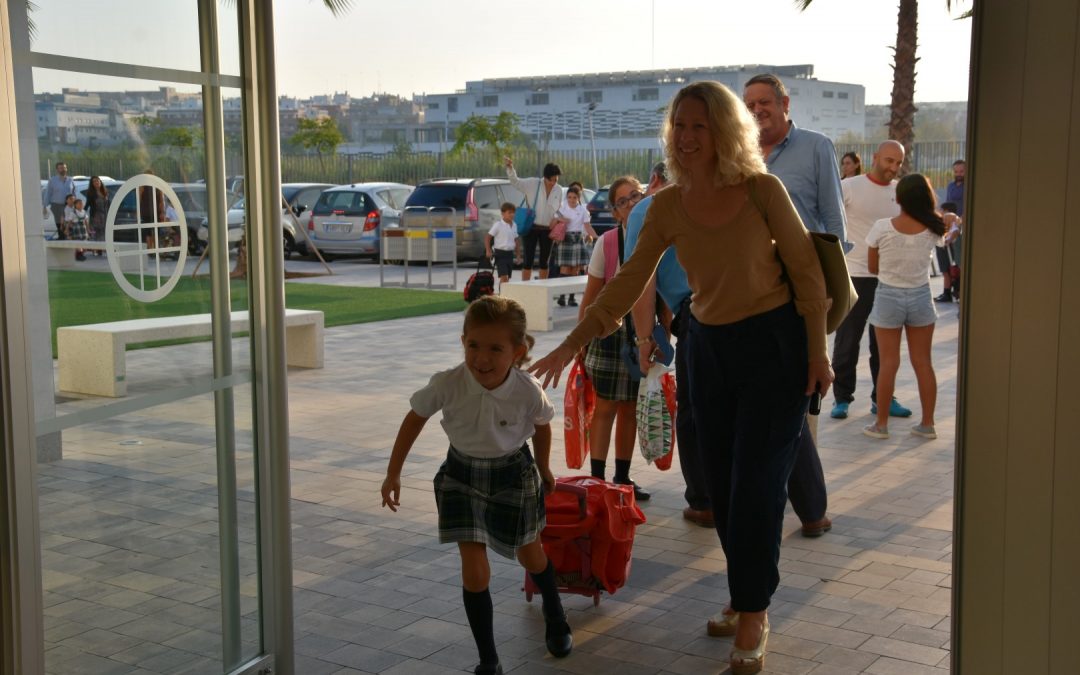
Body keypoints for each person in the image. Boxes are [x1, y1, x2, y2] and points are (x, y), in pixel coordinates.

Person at [530, 81, 832, 675]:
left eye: (700, 125)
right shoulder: (665, 207)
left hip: (774, 348)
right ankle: (746, 592)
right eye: (679, 126)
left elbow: (808, 274)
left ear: (724, 130)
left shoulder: (762, 190)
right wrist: (571, 342)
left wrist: (817, 354)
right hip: (707, 347)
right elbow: (627, 282)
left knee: (757, 487)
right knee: (720, 488)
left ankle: (752, 613)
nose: (687, 137)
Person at [380, 296, 572, 675]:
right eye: (473, 346)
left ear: (517, 352)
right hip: (461, 476)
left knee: (530, 554)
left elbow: (542, 426)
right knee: (473, 566)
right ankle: (489, 659)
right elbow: (414, 418)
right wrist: (393, 472)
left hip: (513, 474)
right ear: (463, 340)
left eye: (495, 349)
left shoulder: (526, 388)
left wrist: (546, 468)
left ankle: (555, 613)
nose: (481, 358)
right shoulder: (449, 383)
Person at [745, 72, 839, 538]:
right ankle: (806, 506)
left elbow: (833, 229)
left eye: (764, 101)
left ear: (784, 103)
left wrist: (822, 297)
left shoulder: (816, 147)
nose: (757, 110)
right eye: (750, 104)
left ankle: (809, 506)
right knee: (780, 397)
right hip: (751, 292)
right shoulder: (741, 153)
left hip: (801, 294)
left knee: (794, 394)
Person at [626, 161, 712, 527]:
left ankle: (705, 502)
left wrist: (645, 339)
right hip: (756, 310)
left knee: (696, 414)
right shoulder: (739, 191)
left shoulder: (649, 210)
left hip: (700, 316)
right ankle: (808, 507)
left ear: (657, 179)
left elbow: (640, 281)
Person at [577, 176, 650, 502]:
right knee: (605, 407)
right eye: (624, 201)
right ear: (616, 212)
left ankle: (622, 478)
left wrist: (659, 337)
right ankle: (596, 478)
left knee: (632, 408)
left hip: (641, 337)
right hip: (608, 335)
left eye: (636, 195)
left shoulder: (657, 239)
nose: (632, 203)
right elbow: (590, 298)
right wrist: (580, 341)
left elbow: (662, 299)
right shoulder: (605, 244)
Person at [830, 141, 914, 420]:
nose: (893, 167)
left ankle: (884, 398)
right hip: (854, 276)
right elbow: (828, 218)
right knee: (847, 342)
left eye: (898, 163)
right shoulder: (850, 187)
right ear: (875, 157)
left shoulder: (900, 192)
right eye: (889, 160)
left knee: (885, 346)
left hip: (888, 279)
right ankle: (841, 398)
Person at [863, 174, 947, 441]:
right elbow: (947, 238)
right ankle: (928, 424)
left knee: (888, 362)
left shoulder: (882, 227)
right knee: (923, 363)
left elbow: (873, 268)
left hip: (888, 295)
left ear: (898, 198)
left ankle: (881, 425)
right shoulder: (933, 228)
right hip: (921, 295)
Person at [505, 157, 563, 282]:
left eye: (556, 180)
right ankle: (526, 289)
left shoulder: (558, 189)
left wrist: (557, 218)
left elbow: (559, 209)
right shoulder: (533, 183)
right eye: (551, 180)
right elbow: (515, 182)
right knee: (528, 260)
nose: (553, 183)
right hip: (531, 227)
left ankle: (543, 289)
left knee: (544, 262)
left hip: (548, 229)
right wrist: (510, 168)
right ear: (545, 177)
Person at [551, 185, 597, 307]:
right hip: (565, 238)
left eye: (574, 197)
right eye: (569, 197)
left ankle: (571, 298)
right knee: (564, 269)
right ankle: (561, 297)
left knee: (575, 270)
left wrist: (598, 237)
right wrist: (561, 219)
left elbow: (587, 226)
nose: (571, 200)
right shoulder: (562, 207)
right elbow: (552, 222)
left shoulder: (583, 210)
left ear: (578, 198)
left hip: (578, 238)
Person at [936, 160, 966, 302]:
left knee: (959, 262)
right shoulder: (951, 186)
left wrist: (959, 222)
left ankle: (958, 290)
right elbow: (948, 205)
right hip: (951, 224)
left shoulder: (968, 186)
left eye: (961, 171)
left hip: (961, 225)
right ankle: (947, 291)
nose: (958, 174)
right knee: (945, 261)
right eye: (956, 171)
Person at [485, 203, 521, 286]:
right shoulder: (498, 225)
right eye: (509, 212)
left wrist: (518, 255)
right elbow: (488, 237)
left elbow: (516, 240)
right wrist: (488, 250)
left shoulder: (514, 225)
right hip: (500, 254)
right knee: (504, 277)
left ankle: (503, 294)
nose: (512, 215)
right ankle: (501, 296)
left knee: (507, 278)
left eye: (513, 212)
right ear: (503, 213)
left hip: (510, 254)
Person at [42, 161, 75, 238]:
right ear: (57, 170)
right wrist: (44, 206)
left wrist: (75, 202)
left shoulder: (70, 180)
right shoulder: (52, 180)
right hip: (56, 205)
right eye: (61, 168)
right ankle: (62, 236)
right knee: (59, 222)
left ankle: (67, 236)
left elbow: (74, 192)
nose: (63, 169)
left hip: (68, 205)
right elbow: (48, 193)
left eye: (64, 168)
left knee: (68, 221)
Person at [84, 176, 109, 251]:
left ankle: (103, 248)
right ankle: (96, 249)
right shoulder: (90, 193)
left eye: (98, 181)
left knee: (104, 232)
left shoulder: (105, 191)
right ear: (92, 184)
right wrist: (81, 213)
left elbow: (108, 204)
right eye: (94, 181)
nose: (96, 182)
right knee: (95, 232)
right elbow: (87, 204)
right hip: (95, 216)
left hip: (104, 215)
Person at [63, 195, 86, 261]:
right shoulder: (67, 209)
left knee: (80, 241)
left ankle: (79, 254)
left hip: (77, 228)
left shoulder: (78, 209)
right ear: (66, 200)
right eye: (70, 199)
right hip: (71, 227)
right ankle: (78, 255)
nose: (72, 200)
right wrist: (67, 229)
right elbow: (67, 220)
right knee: (75, 241)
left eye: (73, 199)